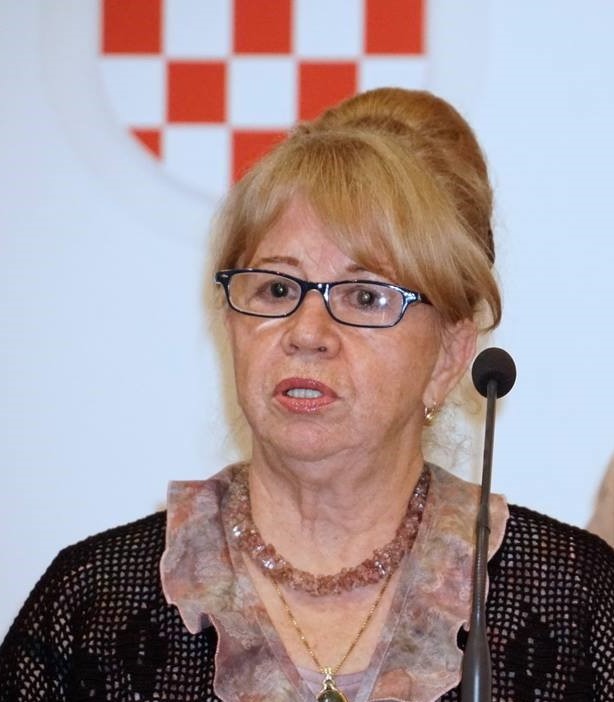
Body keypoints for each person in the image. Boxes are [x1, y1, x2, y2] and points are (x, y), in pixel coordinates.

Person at [0, 87, 612, 702]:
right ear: (231, 325)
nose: (307, 332)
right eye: (275, 289)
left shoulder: (574, 601)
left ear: (448, 356)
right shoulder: (93, 604)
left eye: (365, 296)